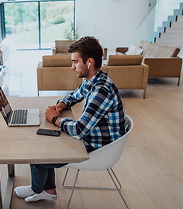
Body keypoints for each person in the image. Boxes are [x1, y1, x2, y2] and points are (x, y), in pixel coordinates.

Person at [14, 36, 127, 203]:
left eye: (75, 62)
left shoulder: (101, 90)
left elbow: (80, 130)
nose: (72, 67)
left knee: (37, 154)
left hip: (99, 147)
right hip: (95, 138)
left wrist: (55, 119)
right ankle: (49, 191)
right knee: (45, 142)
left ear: (89, 62)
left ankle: (36, 188)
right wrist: (60, 105)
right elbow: (75, 95)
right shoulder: (93, 80)